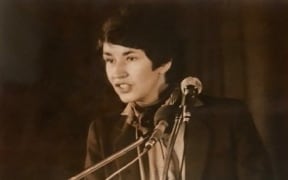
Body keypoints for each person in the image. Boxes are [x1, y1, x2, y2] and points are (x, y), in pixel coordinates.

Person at [84, 4, 272, 180]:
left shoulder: (228, 118)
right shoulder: (102, 134)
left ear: (164, 63)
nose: (117, 72)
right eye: (110, 60)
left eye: (131, 58)